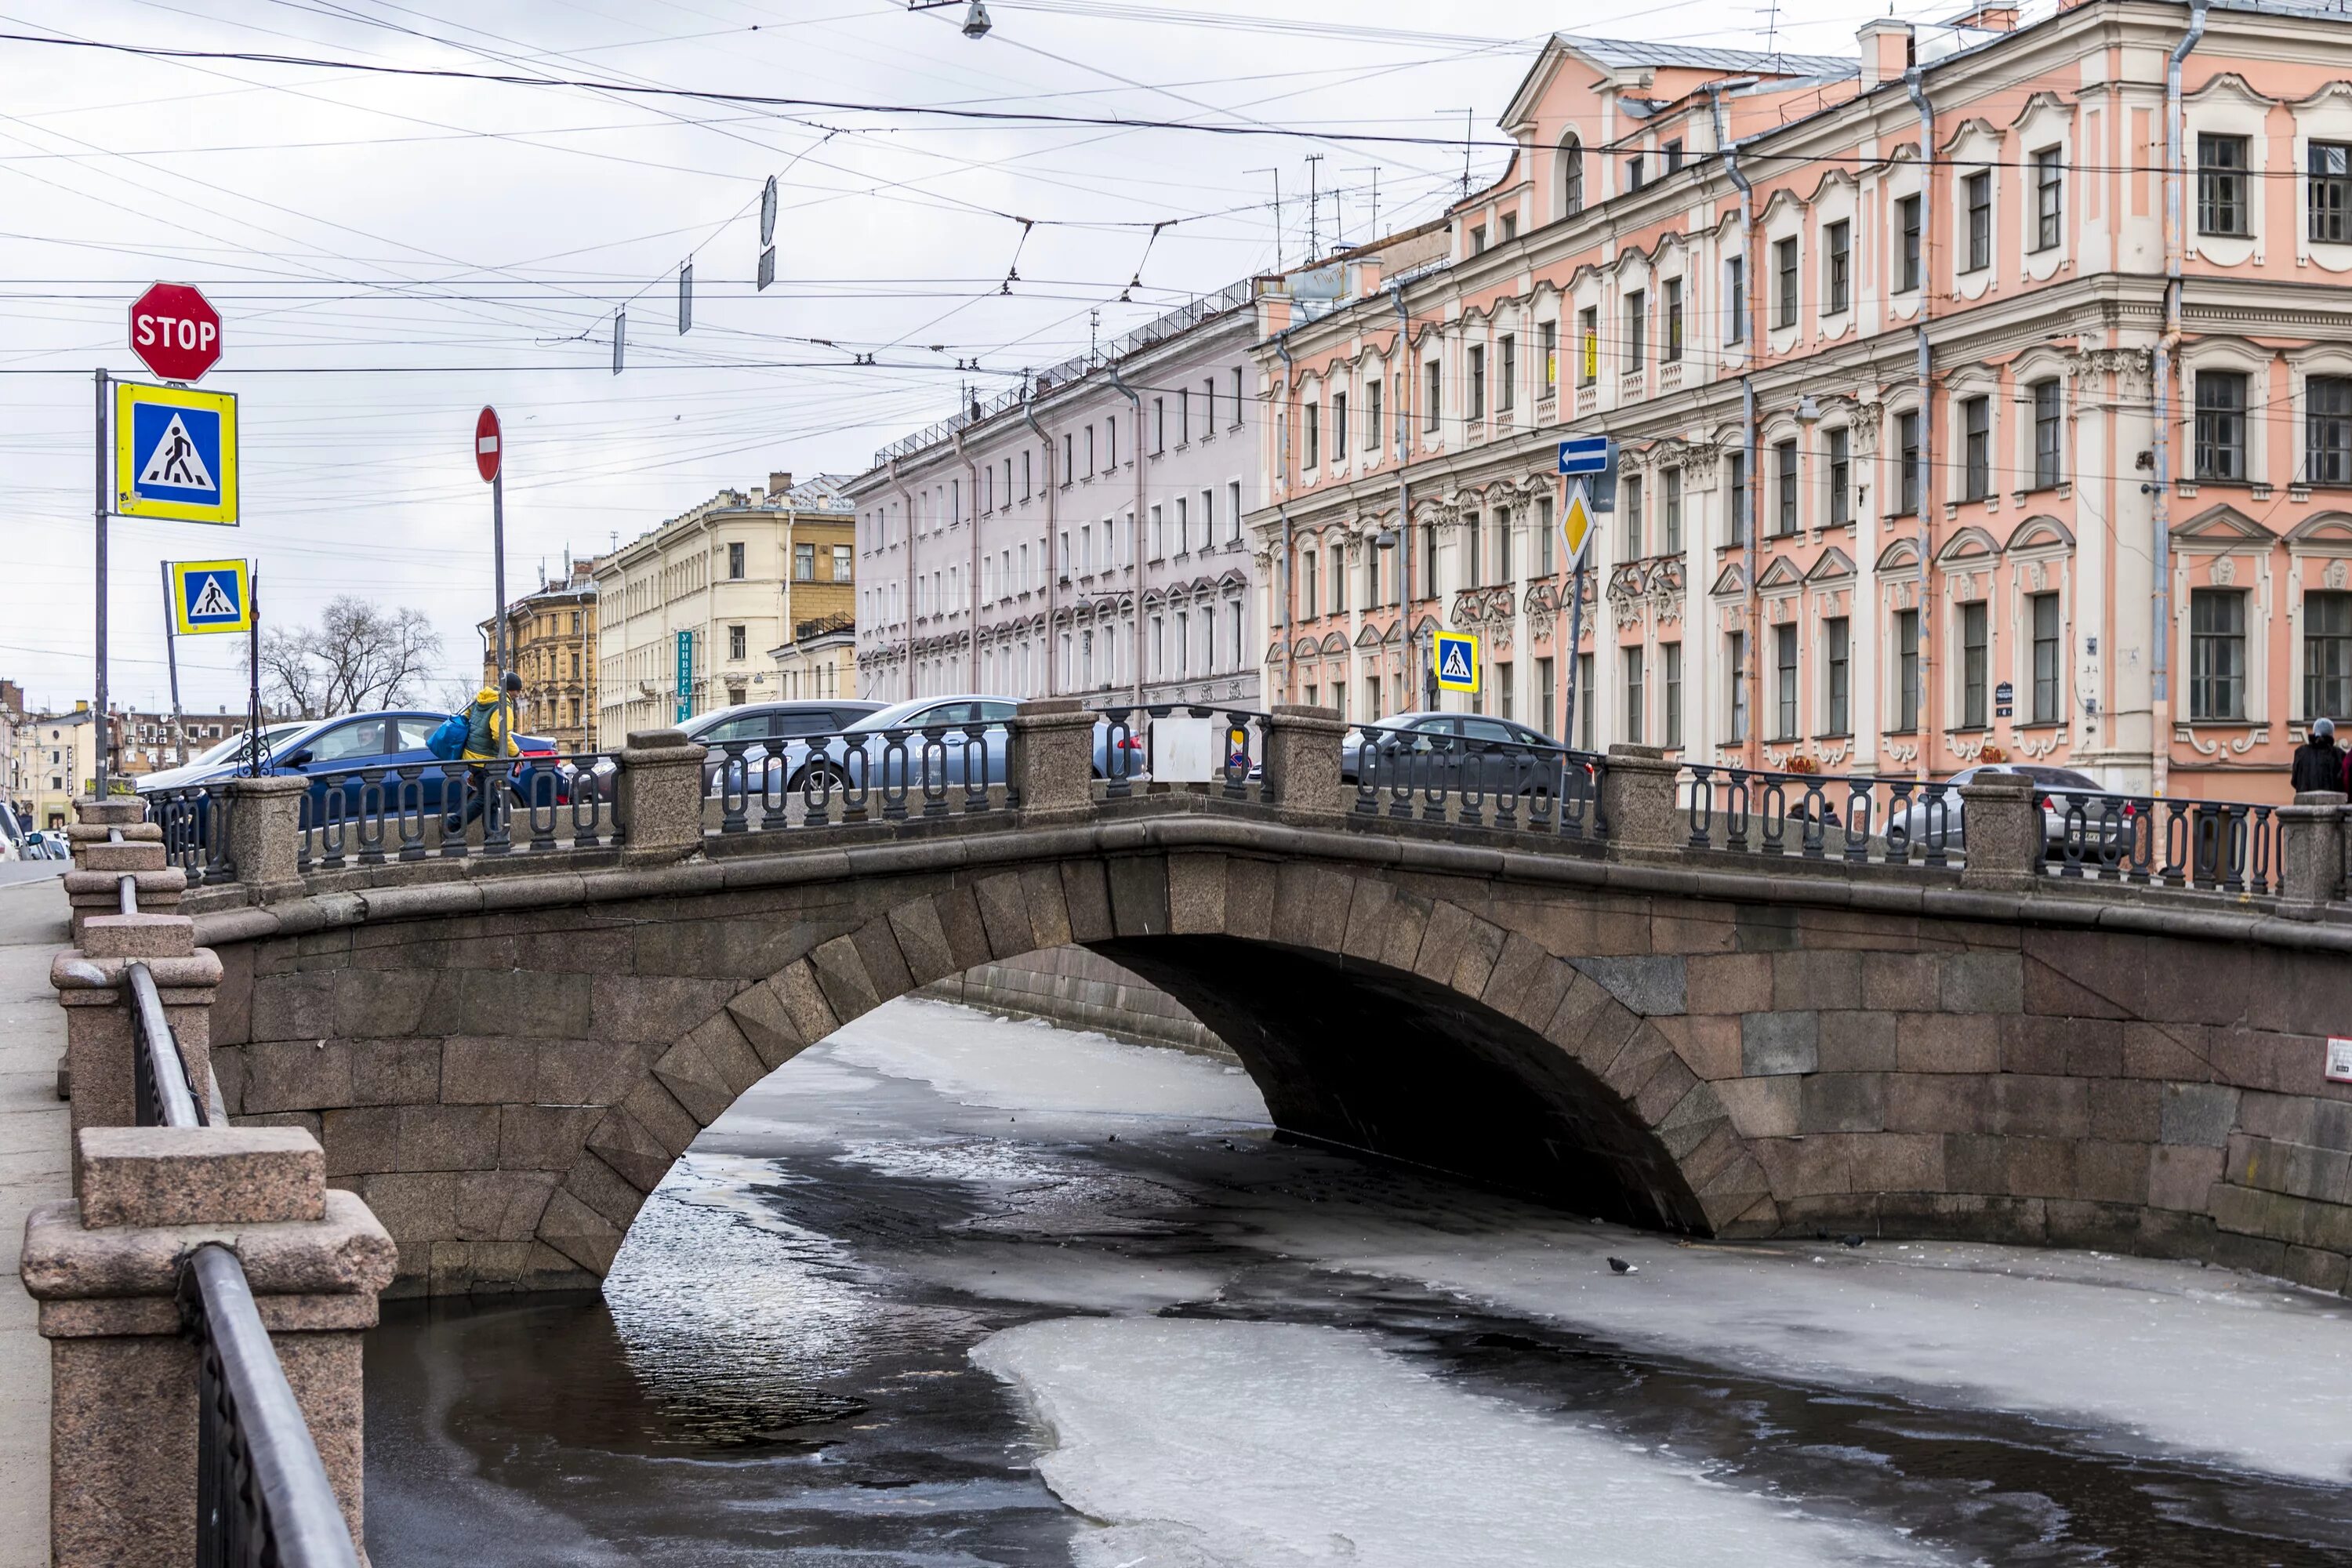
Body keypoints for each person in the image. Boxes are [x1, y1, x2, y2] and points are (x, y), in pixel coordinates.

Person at [445, 673, 522, 833]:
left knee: (492, 799)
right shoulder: (502, 706)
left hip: (472, 756)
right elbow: (499, 734)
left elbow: (467, 717)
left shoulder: (483, 698)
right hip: (484, 759)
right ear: (511, 689)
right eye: (518, 691)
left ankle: (492, 837)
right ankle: (453, 823)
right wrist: (516, 754)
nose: (518, 695)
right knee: (486, 799)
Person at [2292, 717, 2344, 794]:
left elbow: (2294, 781)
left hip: (2304, 803)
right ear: (2331, 734)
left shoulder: (2301, 753)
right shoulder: (2339, 754)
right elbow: (2343, 783)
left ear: (2314, 732)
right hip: (2332, 803)